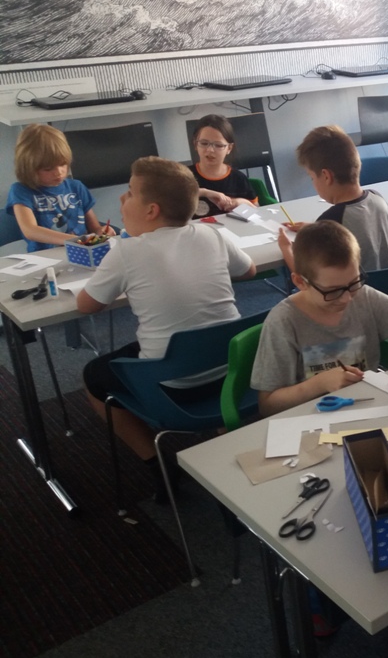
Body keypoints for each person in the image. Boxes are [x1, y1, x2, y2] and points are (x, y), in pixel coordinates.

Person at [77, 157, 257, 499]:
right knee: (200, 335)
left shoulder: (127, 252)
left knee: (93, 375)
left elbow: (86, 305)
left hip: (172, 388)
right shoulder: (212, 234)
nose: (122, 199)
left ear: (151, 211)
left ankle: (157, 463)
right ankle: (226, 432)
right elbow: (248, 271)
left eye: (130, 193)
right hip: (235, 372)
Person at [251, 220, 388, 416]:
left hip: (369, 407)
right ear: (300, 282)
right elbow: (268, 405)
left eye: (354, 282)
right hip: (311, 419)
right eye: (333, 291)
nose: (347, 298)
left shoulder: (364, 297)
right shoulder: (284, 321)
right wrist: (319, 384)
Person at [277, 125, 388, 273]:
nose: (313, 183)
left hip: (360, 288)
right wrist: (314, 230)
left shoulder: (332, 220)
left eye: (312, 178)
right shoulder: (377, 198)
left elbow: (307, 278)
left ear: (326, 176)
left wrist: (286, 248)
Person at [6, 123, 116, 251]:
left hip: (81, 252)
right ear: (29, 168)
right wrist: (74, 241)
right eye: (48, 169)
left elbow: (94, 228)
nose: (58, 172)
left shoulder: (76, 187)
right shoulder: (21, 191)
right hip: (46, 257)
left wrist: (101, 232)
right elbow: (30, 230)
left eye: (63, 164)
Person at [187, 114, 258, 218]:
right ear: (195, 144)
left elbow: (256, 212)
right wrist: (204, 192)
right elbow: (170, 203)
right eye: (204, 143)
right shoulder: (185, 176)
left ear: (229, 148)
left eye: (218, 145)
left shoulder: (238, 179)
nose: (210, 150)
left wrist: (241, 202)